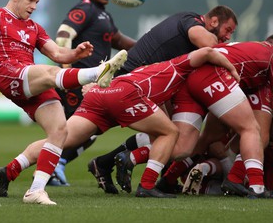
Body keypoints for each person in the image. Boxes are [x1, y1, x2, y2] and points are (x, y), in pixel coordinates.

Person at [0, 0, 128, 205]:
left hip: (30, 81)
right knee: (49, 73)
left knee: (60, 131)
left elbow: (57, 53)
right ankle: (98, 73)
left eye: (37, 2)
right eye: (30, 0)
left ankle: (33, 189)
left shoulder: (34, 27)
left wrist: (76, 53)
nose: (34, 6)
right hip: (10, 75)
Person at [26, 46, 240, 198]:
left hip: (108, 93)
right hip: (124, 97)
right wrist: (231, 69)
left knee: (63, 139)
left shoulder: (156, 70)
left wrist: (97, 89)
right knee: (171, 134)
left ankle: (11, 169)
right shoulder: (180, 66)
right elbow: (208, 52)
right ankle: (146, 184)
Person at [85, 5, 237, 194]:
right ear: (213, 21)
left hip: (148, 83)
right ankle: (123, 166)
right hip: (135, 81)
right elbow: (208, 43)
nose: (228, 36)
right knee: (168, 135)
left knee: (166, 133)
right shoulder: (192, 21)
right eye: (227, 30)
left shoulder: (186, 19)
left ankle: (107, 164)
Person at [116, 38, 273, 198]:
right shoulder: (269, 53)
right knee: (251, 129)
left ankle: (137, 163)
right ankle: (256, 187)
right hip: (214, 76)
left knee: (182, 148)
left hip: (191, 80)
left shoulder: (248, 47)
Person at [49, 0, 136, 186]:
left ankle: (55, 165)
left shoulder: (103, 15)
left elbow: (119, 40)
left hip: (92, 83)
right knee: (84, 128)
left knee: (90, 129)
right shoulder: (85, 8)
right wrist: (66, 70)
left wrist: (153, 45)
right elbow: (63, 35)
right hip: (78, 80)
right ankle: (52, 165)